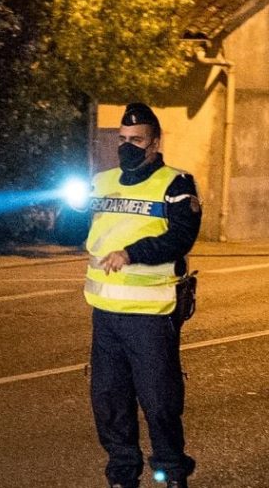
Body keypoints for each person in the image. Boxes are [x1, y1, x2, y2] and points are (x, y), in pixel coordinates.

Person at [83, 103, 201, 488]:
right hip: (105, 314)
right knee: (110, 403)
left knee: (160, 402)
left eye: (136, 140)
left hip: (151, 316)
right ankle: (122, 477)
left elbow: (180, 237)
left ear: (155, 142)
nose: (127, 146)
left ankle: (172, 473)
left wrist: (132, 253)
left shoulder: (176, 184)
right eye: (122, 139)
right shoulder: (101, 182)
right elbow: (79, 231)